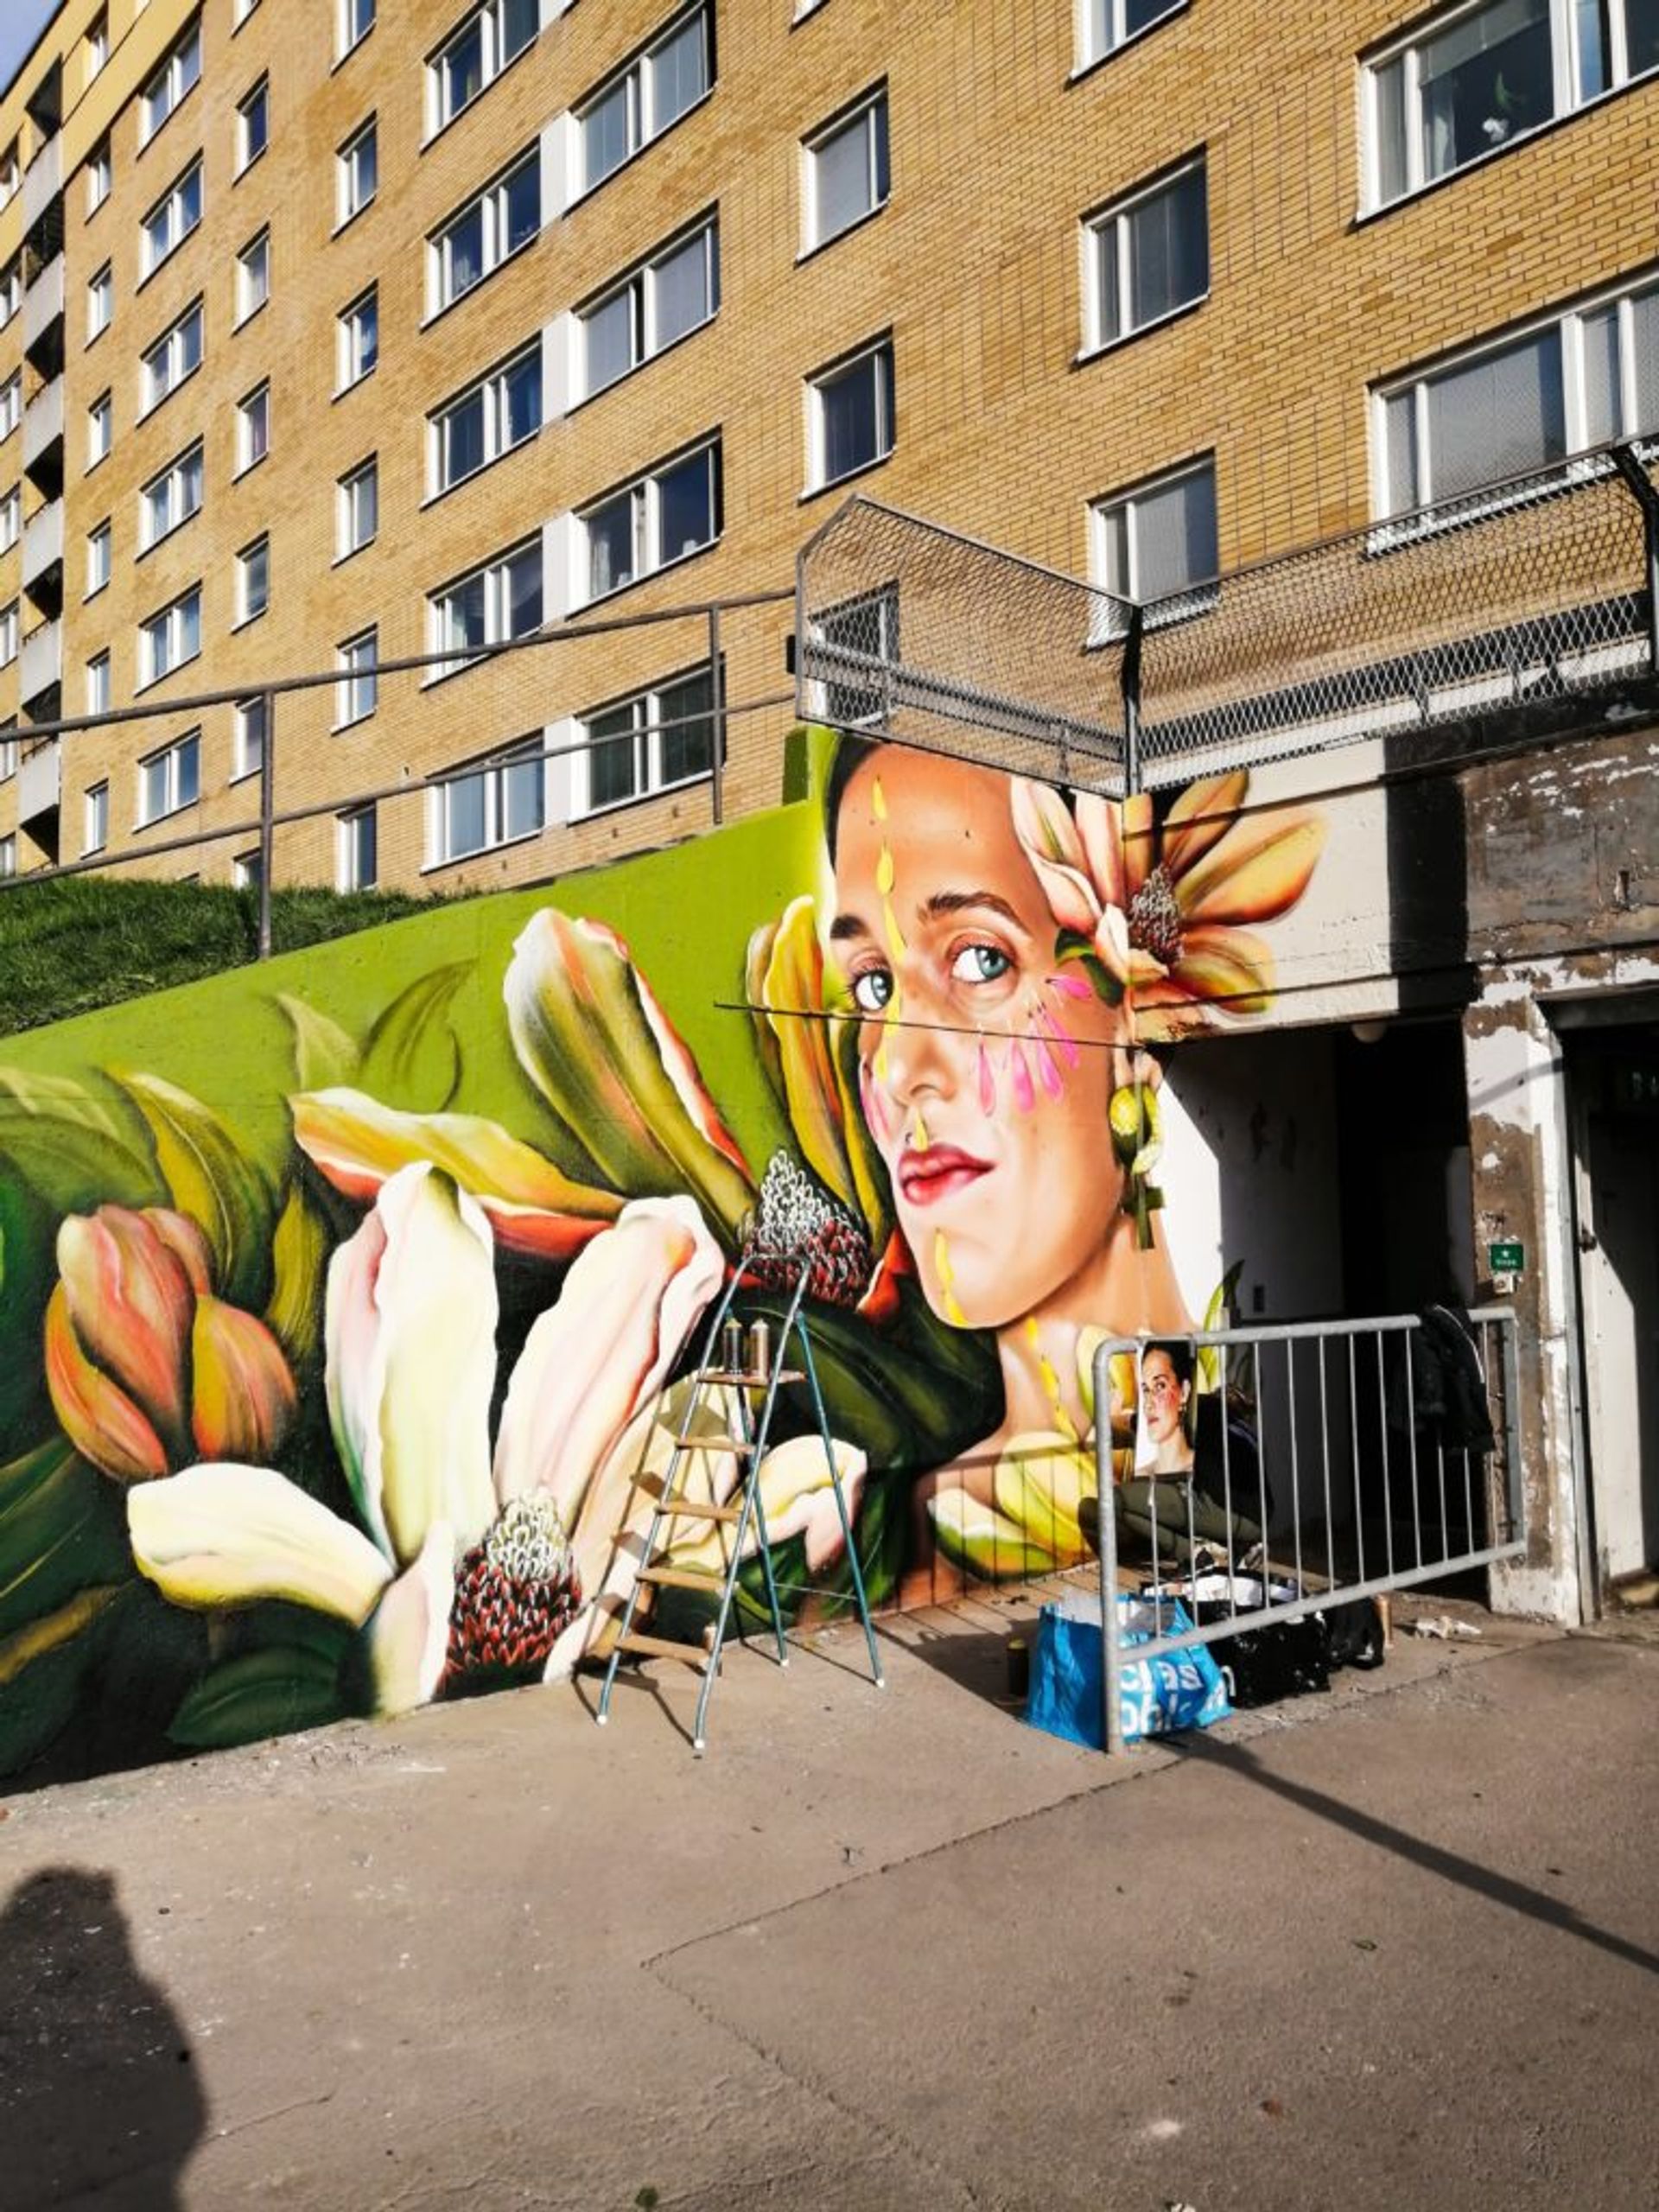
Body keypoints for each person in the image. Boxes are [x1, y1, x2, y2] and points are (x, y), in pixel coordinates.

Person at [827, 740, 1192, 1594]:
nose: (894, 1067)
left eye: (981, 959)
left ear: (1135, 1025)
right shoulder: (930, 1535)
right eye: (873, 985)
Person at [1113, 1338, 1265, 1569]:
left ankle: (1194, 1555)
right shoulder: (1243, 1428)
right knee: (1185, 1495)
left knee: (1119, 1500)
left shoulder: (1205, 1407)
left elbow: (1138, 1425)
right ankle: (1240, 1544)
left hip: (1227, 1510)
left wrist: (1114, 1417)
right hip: (1257, 1516)